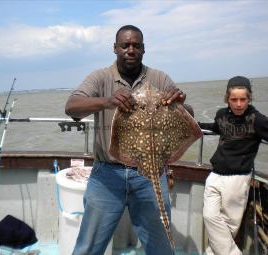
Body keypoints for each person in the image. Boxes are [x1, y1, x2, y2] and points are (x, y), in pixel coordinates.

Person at [65, 25, 185, 255]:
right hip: (107, 174)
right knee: (88, 246)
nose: (131, 50)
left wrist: (179, 102)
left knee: (161, 246)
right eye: (125, 45)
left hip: (149, 173)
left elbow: (186, 112)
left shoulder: (159, 78)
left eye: (136, 45)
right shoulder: (100, 77)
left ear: (143, 49)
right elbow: (72, 107)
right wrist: (106, 101)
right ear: (115, 48)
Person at [199, 76, 268, 255]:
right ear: (227, 99)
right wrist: (195, 126)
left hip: (237, 179)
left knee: (228, 227)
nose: (238, 104)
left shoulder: (258, 120)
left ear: (249, 98)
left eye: (243, 99)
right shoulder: (221, 114)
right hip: (215, 175)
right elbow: (216, 128)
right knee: (209, 216)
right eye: (234, 100)